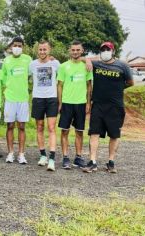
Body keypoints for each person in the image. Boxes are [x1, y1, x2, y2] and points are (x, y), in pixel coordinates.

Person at [82, 41, 133, 173]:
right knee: (94, 133)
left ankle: (111, 162)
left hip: (115, 106)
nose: (105, 51)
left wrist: (118, 88)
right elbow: (79, 58)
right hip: (98, 104)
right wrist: (87, 59)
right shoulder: (97, 63)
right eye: (103, 49)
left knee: (114, 135)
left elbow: (130, 82)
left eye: (108, 49)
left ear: (113, 51)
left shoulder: (122, 66)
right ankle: (92, 161)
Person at [57, 41, 93, 170]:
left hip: (81, 103)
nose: (75, 52)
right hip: (67, 103)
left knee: (79, 131)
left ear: (82, 51)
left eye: (78, 50)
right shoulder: (63, 66)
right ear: (69, 51)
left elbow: (89, 85)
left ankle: (78, 157)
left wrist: (88, 102)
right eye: (73, 50)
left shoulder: (86, 66)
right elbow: (59, 85)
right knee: (65, 130)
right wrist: (60, 103)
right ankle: (65, 158)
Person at [29, 41, 60, 171]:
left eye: (45, 49)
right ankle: (43, 155)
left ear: (49, 50)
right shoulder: (32, 65)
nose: (42, 52)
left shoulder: (55, 64)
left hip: (52, 98)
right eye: (40, 49)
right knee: (39, 127)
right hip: (38, 98)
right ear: (38, 51)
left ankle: (52, 159)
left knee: (52, 127)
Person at [2, 36, 32, 164]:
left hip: (23, 98)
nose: (17, 48)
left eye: (20, 46)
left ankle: (21, 154)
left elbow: (34, 71)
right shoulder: (6, 61)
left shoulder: (28, 59)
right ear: (11, 47)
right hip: (10, 98)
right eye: (15, 45)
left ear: (23, 47)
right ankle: (10, 153)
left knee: (21, 126)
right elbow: (3, 78)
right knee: (10, 126)